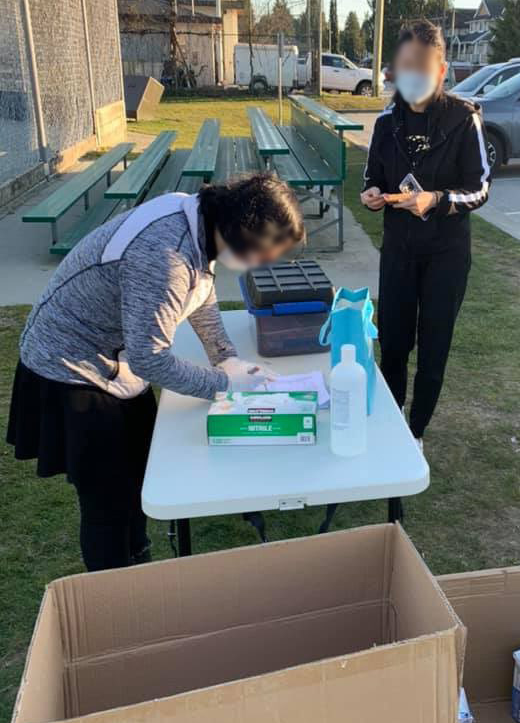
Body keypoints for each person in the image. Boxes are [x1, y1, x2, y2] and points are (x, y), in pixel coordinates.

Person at [7, 175, 305, 571]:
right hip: (70, 368)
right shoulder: (166, 254)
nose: (263, 264)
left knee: (138, 476)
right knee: (106, 503)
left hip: (115, 362)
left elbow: (201, 290)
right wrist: (225, 384)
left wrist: (225, 356)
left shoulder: (199, 220)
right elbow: (150, 359)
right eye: (265, 255)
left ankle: (138, 559)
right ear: (244, 232)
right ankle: (115, 590)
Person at [361, 19, 491, 447]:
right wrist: (372, 194)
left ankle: (416, 431)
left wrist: (436, 199)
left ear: (441, 69)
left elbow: (480, 189)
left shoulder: (463, 119)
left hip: (446, 254)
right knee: (393, 343)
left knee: (434, 347)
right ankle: (392, 418)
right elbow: (371, 177)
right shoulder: (386, 123)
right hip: (399, 250)